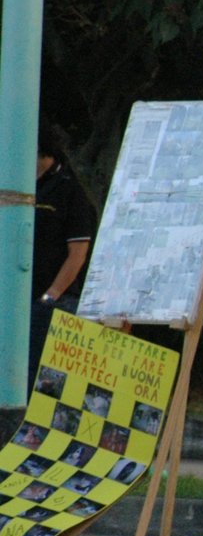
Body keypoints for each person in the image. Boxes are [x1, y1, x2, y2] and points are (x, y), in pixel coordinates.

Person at [29, 119, 97, 380]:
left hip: (52, 301)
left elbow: (77, 254)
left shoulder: (70, 190)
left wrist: (51, 296)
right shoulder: (20, 186)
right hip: (19, 298)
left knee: (37, 376)